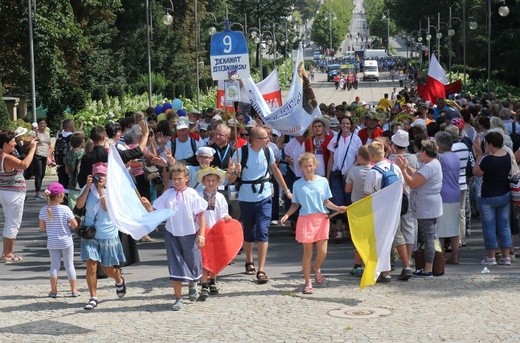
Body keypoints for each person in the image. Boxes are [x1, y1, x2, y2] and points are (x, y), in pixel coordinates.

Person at [227, 127, 291, 284]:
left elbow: (275, 171)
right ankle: (249, 261)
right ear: (255, 140)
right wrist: (235, 172)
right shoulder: (240, 153)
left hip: (264, 196)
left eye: (268, 137)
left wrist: (286, 190)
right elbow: (230, 181)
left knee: (263, 232)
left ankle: (261, 269)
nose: (268, 139)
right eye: (264, 138)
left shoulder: (268, 152)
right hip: (246, 197)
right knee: (249, 232)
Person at [141, 162, 207, 311]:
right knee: (175, 265)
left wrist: (202, 235)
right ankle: (178, 298)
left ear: (186, 179)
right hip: (172, 234)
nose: (176, 182)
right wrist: (147, 206)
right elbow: (156, 211)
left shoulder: (192, 194)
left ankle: (192, 284)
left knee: (193, 264)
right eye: (174, 179)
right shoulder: (168, 194)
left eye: (179, 179)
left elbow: (201, 216)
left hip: (190, 234)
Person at [281, 153, 346, 294]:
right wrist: (287, 215)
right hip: (305, 219)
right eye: (305, 166)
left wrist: (338, 208)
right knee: (307, 253)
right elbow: (295, 204)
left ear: (315, 165)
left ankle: (316, 268)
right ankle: (307, 281)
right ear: (301, 168)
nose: (308, 168)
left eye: (310, 165)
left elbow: (326, 202)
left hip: (321, 218)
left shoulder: (323, 181)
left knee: (323, 252)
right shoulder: (297, 184)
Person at [76, 163, 127, 310]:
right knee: (91, 266)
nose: (99, 178)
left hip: (107, 233)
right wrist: (87, 187)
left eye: (102, 175)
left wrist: (101, 189)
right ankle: (93, 297)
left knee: (107, 268)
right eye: (97, 175)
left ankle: (118, 279)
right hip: (89, 233)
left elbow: (106, 208)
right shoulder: (88, 188)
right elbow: (79, 206)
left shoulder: (112, 191)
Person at [395, 139, 443, 277]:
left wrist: (403, 170)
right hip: (429, 204)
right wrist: (407, 168)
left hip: (426, 206)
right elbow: (418, 173)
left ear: (425, 152)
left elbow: (413, 182)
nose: (418, 154)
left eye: (420, 151)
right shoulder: (432, 163)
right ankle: (432, 266)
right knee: (432, 236)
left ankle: (428, 268)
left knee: (429, 237)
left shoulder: (429, 166)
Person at [364, 141, 408, 283]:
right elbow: (402, 187)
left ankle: (386, 272)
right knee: (398, 236)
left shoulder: (372, 172)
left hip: (380, 209)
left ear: (371, 156)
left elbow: (368, 195)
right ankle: (407, 266)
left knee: (382, 239)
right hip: (394, 208)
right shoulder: (395, 167)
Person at [473, 131, 513, 265]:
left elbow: (476, 173)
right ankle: (506, 256)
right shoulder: (507, 156)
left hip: (488, 195)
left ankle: (491, 257)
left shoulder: (488, 159)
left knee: (489, 227)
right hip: (504, 193)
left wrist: (479, 155)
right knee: (504, 225)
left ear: (490, 144)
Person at [0, 130, 38, 262]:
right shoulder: (6, 157)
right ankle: (8, 254)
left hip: (5, 192)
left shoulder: (3, 156)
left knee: (9, 222)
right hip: (13, 193)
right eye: (12, 142)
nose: (14, 145)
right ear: (5, 143)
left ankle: (6, 252)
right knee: (13, 224)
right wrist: (32, 149)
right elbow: (24, 164)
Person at [195, 167, 231, 301]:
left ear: (217, 182)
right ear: (203, 181)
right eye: (208, 180)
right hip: (203, 230)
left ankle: (213, 281)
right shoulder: (198, 195)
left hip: (216, 230)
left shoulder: (220, 197)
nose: (211, 183)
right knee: (204, 258)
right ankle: (204, 283)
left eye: (213, 181)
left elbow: (223, 212)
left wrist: (226, 217)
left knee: (215, 258)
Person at [38, 182, 79, 297]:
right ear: (60, 196)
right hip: (66, 240)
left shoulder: (43, 210)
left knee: (54, 266)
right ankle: (74, 290)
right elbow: (75, 225)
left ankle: (53, 291)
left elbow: (41, 228)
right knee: (69, 265)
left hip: (52, 241)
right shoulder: (65, 209)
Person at [387, 130, 419, 277]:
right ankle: (409, 256)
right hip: (409, 194)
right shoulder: (412, 157)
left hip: (394, 196)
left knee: (395, 227)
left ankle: (393, 256)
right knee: (409, 226)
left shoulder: (390, 158)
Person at [326, 116, 362, 241]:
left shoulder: (356, 139)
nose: (345, 126)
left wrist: (350, 170)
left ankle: (350, 228)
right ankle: (339, 228)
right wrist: (328, 175)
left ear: (351, 125)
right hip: (336, 174)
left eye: (347, 123)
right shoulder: (335, 138)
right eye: (343, 123)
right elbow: (331, 158)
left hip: (349, 174)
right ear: (340, 125)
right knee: (337, 200)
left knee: (349, 200)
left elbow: (358, 159)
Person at [434, 131, 462, 264]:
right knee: (453, 227)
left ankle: (439, 256)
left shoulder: (440, 158)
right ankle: (455, 255)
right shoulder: (455, 157)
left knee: (439, 229)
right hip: (455, 192)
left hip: (442, 194)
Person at [345, 145, 372, 277]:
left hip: (357, 206)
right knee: (370, 237)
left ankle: (357, 265)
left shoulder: (354, 171)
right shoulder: (374, 170)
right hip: (371, 207)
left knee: (358, 237)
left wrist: (356, 163)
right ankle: (370, 263)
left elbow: (347, 189)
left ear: (360, 157)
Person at [28, 118, 53, 200]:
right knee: (38, 173)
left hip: (45, 155)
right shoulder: (34, 132)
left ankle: (38, 191)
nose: (42, 125)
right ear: (38, 124)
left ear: (46, 124)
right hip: (37, 154)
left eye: (44, 123)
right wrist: (34, 139)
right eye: (41, 123)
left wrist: (50, 156)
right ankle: (37, 193)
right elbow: (26, 141)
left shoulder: (47, 134)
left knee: (42, 174)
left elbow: (49, 145)